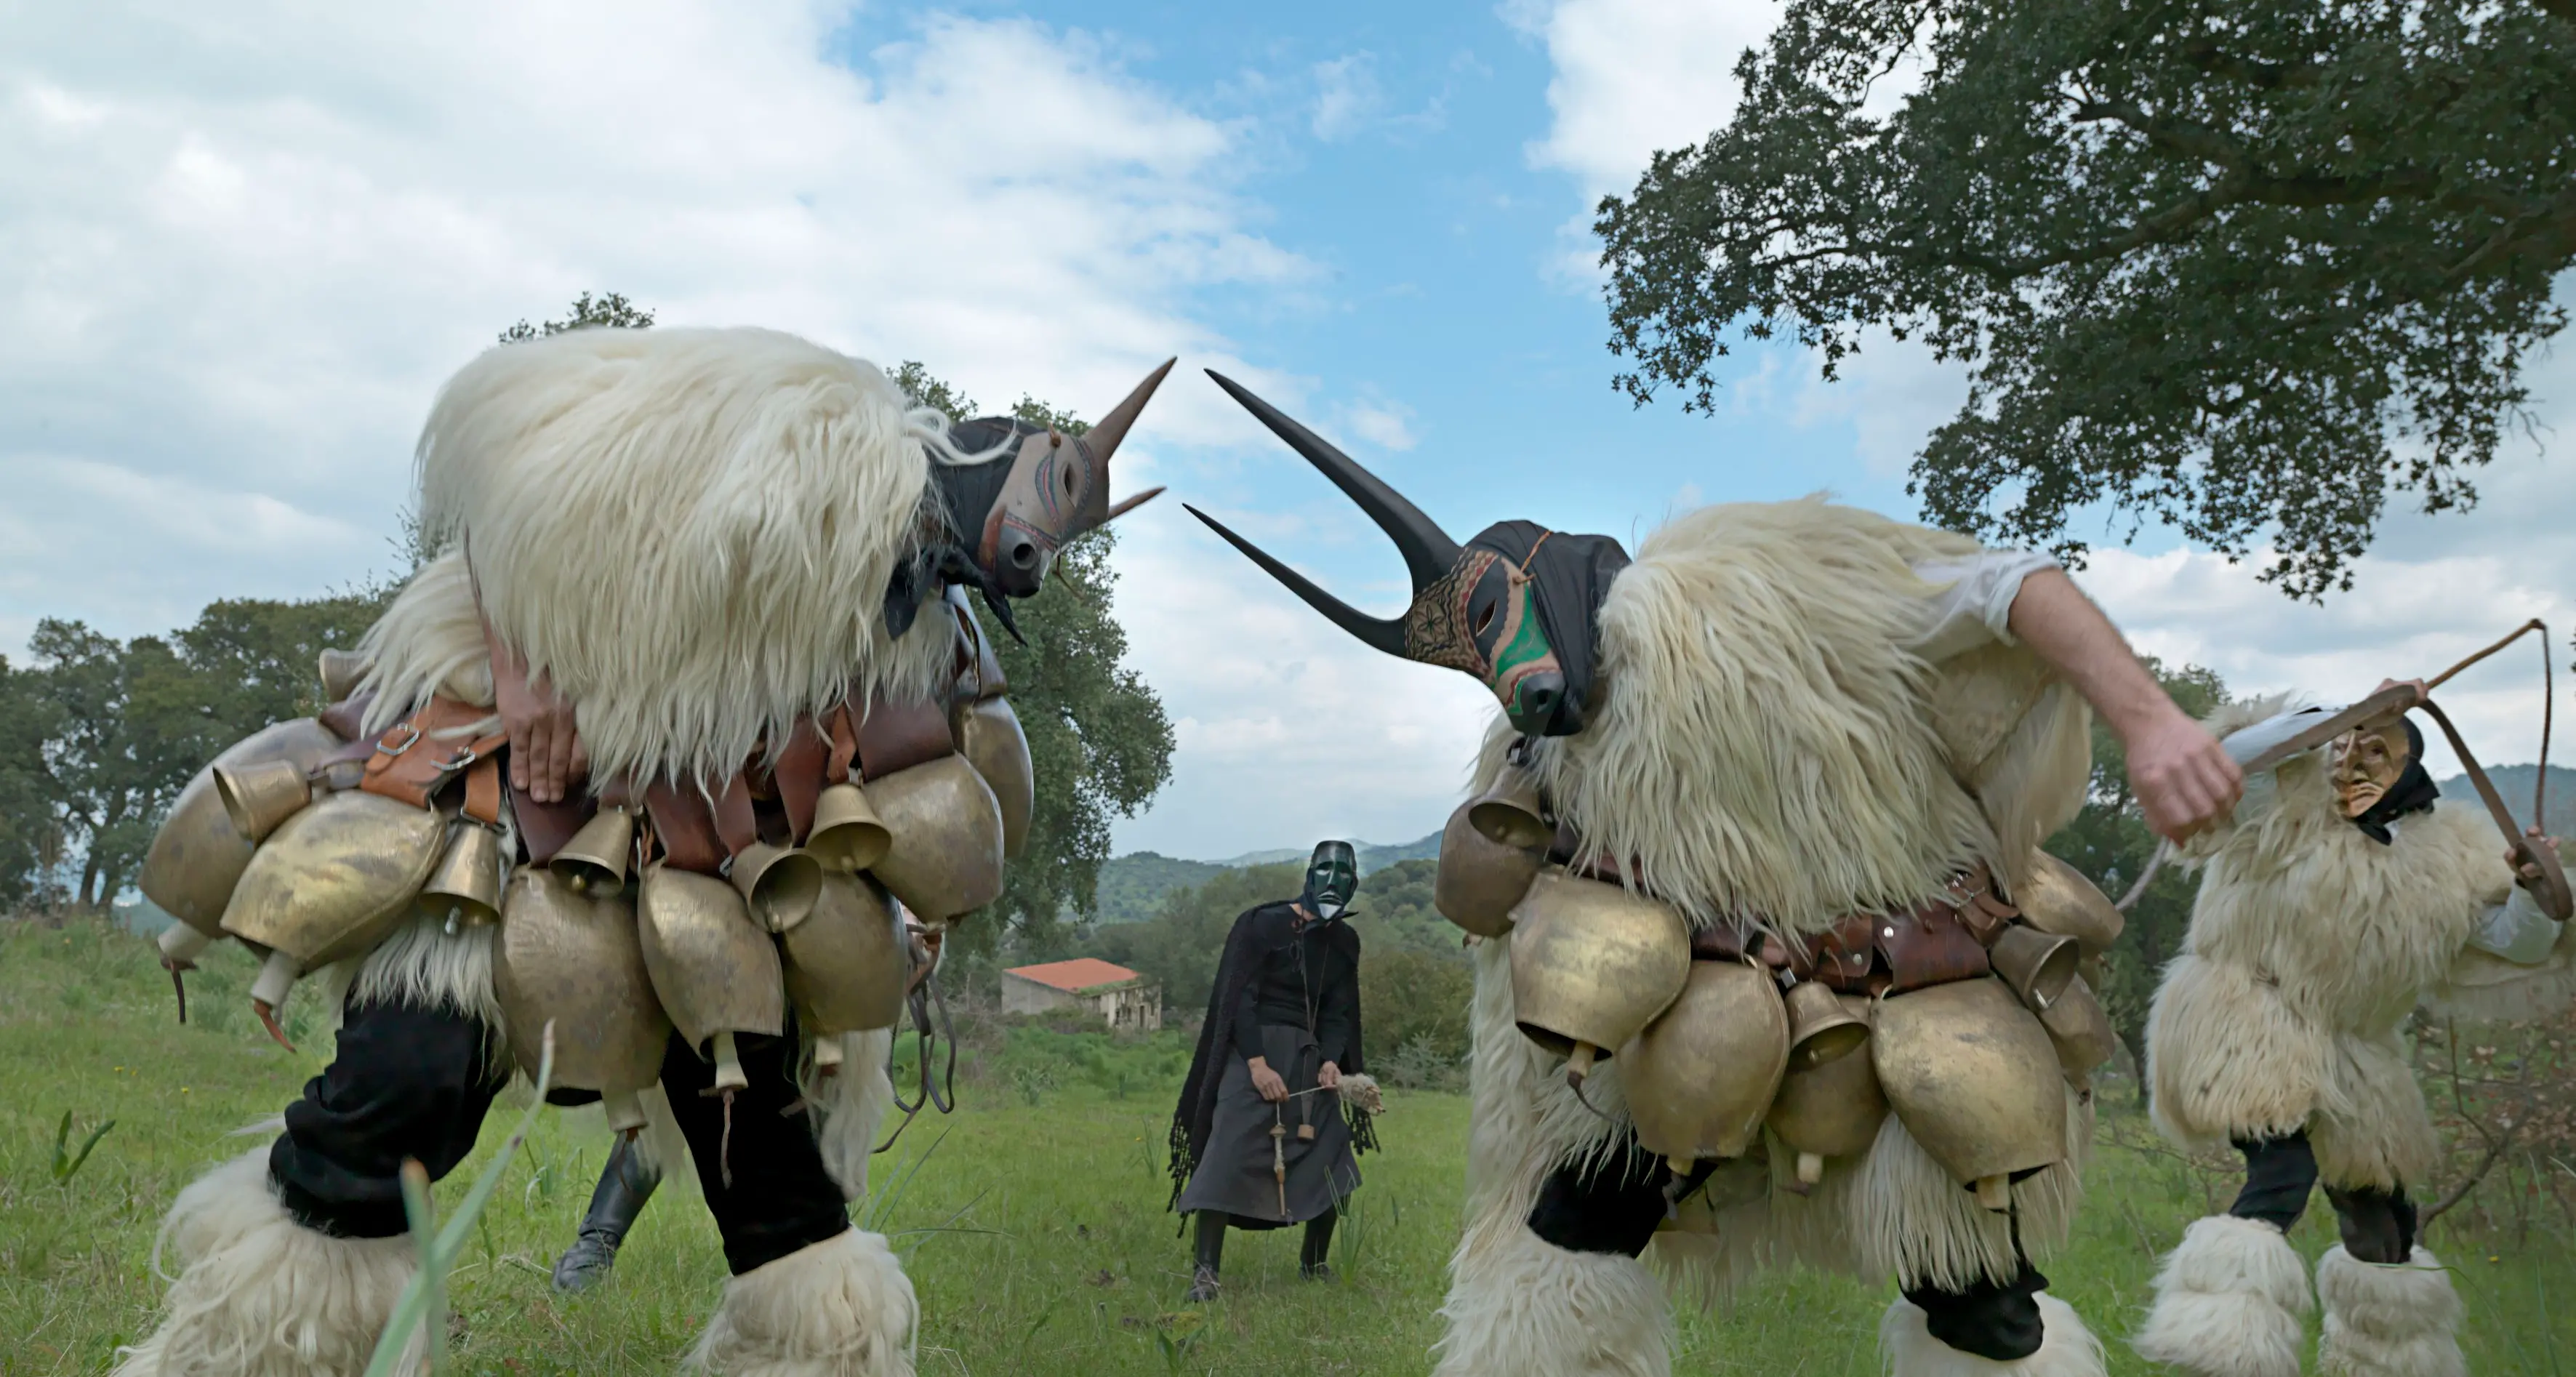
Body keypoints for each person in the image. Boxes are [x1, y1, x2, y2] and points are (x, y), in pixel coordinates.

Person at [116, 326, 1168, 1377]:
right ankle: (261, 1351)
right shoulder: (789, 430)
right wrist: (528, 682)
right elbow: (507, 475)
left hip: (709, 856)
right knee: (405, 1077)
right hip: (514, 801)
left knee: (762, 1152)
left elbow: (887, 753)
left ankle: (808, 1352)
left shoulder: (907, 605)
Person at [1187, 370, 2244, 1377]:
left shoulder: (1750, 590)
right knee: (1571, 1232)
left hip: (1899, 995)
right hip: (1679, 1017)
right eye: (1483, 666)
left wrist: (2148, 723)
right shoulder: (1537, 752)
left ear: (1534, 578)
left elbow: (2006, 584)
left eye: (1489, 630)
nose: (1514, 681)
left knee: (1978, 1293)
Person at [2133, 688, 2574, 1377]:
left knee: (2382, 1214)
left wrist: (2531, 889)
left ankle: (2387, 1361)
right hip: (2250, 1015)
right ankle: (2221, 1344)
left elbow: (2514, 944)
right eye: (2346, 744)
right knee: (2280, 1174)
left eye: (2377, 748)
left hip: (2359, 1051)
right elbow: (2221, 763)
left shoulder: (2445, 861)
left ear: (2409, 768)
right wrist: (2319, 720)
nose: (2354, 761)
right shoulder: (2281, 807)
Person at [1168, 840, 1377, 1301]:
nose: (1334, 881)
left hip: (1308, 1059)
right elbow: (1238, 998)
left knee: (1335, 1162)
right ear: (1309, 874)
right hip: (1253, 1054)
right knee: (1226, 1151)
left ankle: (1313, 1263)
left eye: (1345, 875)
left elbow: (1339, 1012)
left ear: (1354, 885)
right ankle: (1206, 1274)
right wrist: (1257, 1065)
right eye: (1326, 870)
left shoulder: (1344, 941)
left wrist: (1330, 1061)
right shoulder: (1261, 925)